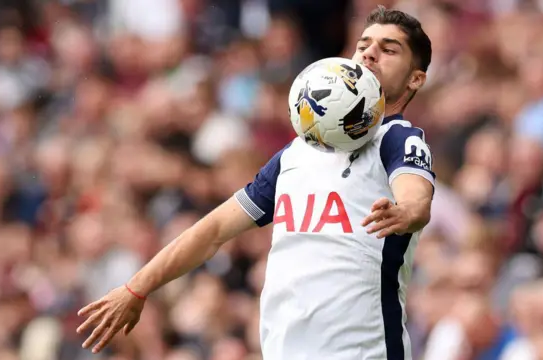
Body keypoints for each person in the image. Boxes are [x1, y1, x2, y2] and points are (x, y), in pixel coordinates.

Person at [77, 5, 434, 359]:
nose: (370, 53)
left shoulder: (397, 139)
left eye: (388, 49)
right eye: (364, 44)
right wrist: (137, 288)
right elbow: (214, 229)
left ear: (415, 78)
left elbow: (415, 197)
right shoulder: (296, 154)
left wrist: (406, 212)